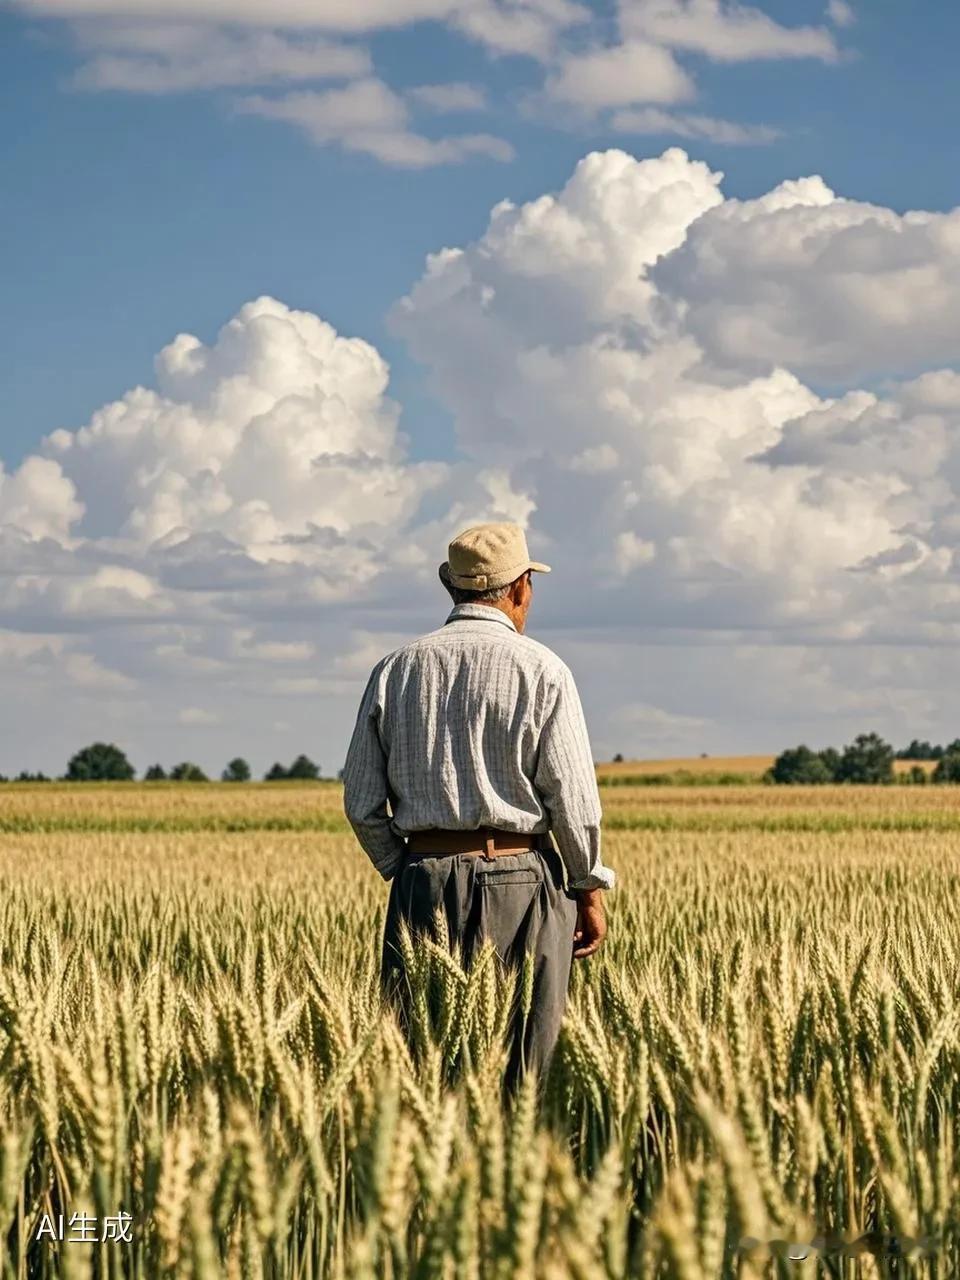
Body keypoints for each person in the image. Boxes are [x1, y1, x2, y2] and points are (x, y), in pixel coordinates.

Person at [342, 521, 615, 1077]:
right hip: (518, 876)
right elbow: (573, 800)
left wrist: (408, 865)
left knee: (423, 1064)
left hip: (422, 880)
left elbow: (361, 800)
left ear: (452, 588)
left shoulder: (395, 670)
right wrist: (587, 886)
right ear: (519, 590)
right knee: (523, 1068)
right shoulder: (543, 669)